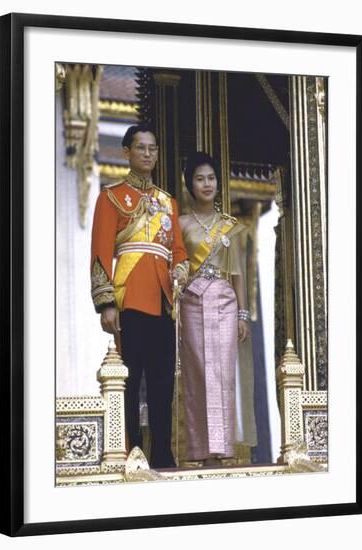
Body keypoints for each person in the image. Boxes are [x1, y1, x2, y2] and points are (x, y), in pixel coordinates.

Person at [90, 124, 189, 468]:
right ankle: (130, 452)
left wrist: (180, 270)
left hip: (163, 302)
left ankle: (162, 452)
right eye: (141, 147)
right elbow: (101, 251)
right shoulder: (112, 196)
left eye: (153, 148)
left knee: (162, 382)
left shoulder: (168, 202)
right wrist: (106, 304)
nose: (148, 153)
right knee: (129, 383)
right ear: (126, 152)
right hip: (129, 299)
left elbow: (178, 251)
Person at [179, 151, 257, 466]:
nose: (207, 184)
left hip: (225, 301)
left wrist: (242, 314)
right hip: (192, 301)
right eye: (200, 178)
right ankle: (199, 451)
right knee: (197, 375)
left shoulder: (230, 226)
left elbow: (238, 272)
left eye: (211, 178)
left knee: (223, 375)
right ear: (190, 184)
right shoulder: (181, 224)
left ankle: (223, 450)